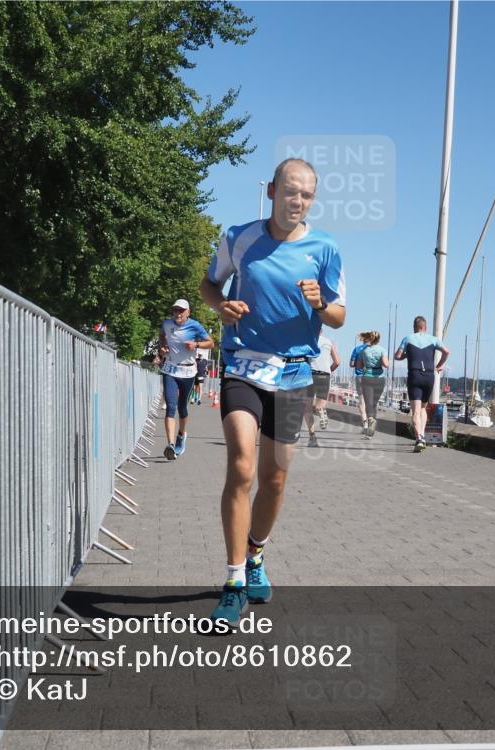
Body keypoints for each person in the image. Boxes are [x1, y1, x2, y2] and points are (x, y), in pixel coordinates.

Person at [200, 158, 345, 625]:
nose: (296, 201)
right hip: (243, 365)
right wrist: (222, 305)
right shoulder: (238, 237)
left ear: (312, 200)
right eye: (289, 191)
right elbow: (208, 284)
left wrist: (320, 303)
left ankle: (257, 553)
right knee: (241, 461)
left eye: (305, 195)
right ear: (271, 191)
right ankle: (234, 580)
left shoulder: (325, 248)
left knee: (275, 478)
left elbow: (340, 315)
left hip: (294, 376)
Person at [157, 299, 213, 460]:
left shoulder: (195, 326)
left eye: (181, 310)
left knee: (182, 408)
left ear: (188, 312)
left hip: (188, 371)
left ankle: (181, 435)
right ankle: (170, 445)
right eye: (175, 310)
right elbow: (161, 334)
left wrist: (196, 345)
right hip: (170, 369)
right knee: (170, 407)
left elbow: (211, 343)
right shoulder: (167, 324)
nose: (178, 313)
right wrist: (162, 346)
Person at [395, 315, 449, 453]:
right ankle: (423, 436)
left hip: (414, 375)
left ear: (414, 327)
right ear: (425, 327)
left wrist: (408, 354)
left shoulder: (407, 338)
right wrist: (439, 365)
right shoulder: (433, 339)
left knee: (416, 410)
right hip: (429, 376)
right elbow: (447, 352)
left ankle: (419, 438)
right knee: (424, 408)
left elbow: (397, 356)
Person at [302, 333, 339, 447]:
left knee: (307, 407)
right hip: (324, 375)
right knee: (320, 404)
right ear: (321, 331)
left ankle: (312, 436)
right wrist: (329, 370)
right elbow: (337, 362)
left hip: (309, 374)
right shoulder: (329, 342)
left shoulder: (307, 339)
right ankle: (320, 410)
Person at [358, 331, 389, 438]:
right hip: (380, 378)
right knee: (374, 404)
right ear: (378, 339)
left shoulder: (364, 351)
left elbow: (359, 366)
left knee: (368, 404)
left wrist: (366, 363)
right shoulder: (382, 350)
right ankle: (371, 431)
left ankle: (370, 419)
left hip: (367, 377)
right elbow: (386, 364)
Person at [349, 333, 370, 433]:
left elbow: (352, 364)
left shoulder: (357, 349)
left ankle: (365, 425)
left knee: (362, 402)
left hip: (360, 377)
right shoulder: (375, 349)